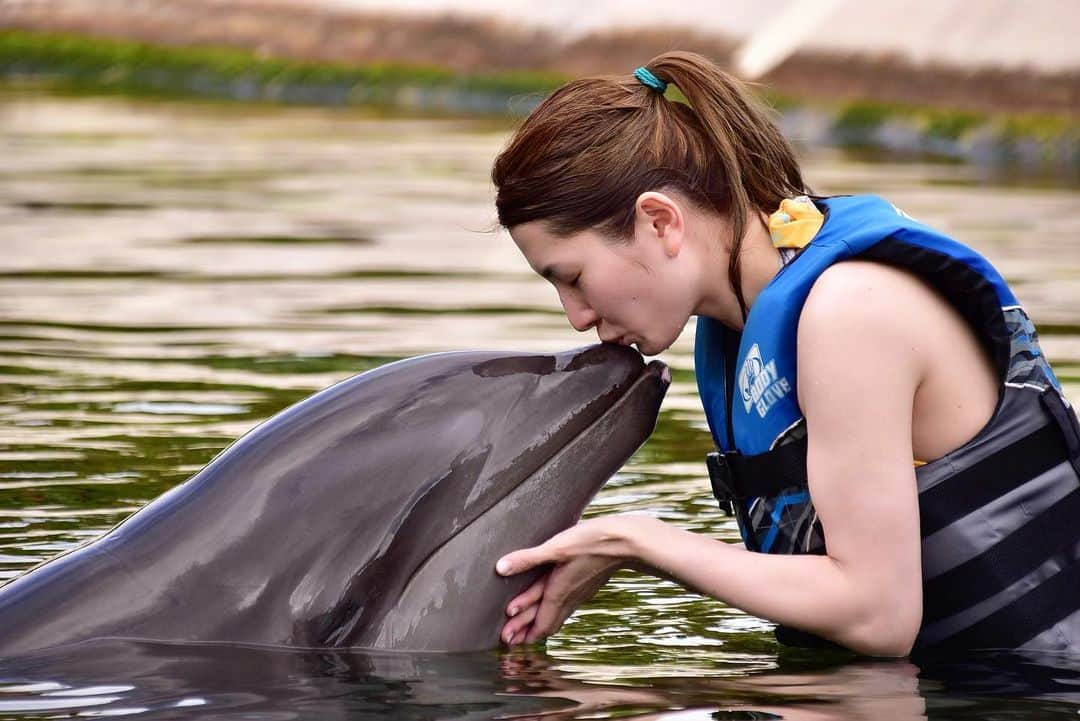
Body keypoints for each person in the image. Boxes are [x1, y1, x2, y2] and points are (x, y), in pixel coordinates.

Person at [490, 51, 1080, 657]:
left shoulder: (851, 311)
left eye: (574, 277)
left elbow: (878, 615)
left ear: (661, 222)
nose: (576, 316)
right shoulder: (741, 329)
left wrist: (634, 543)